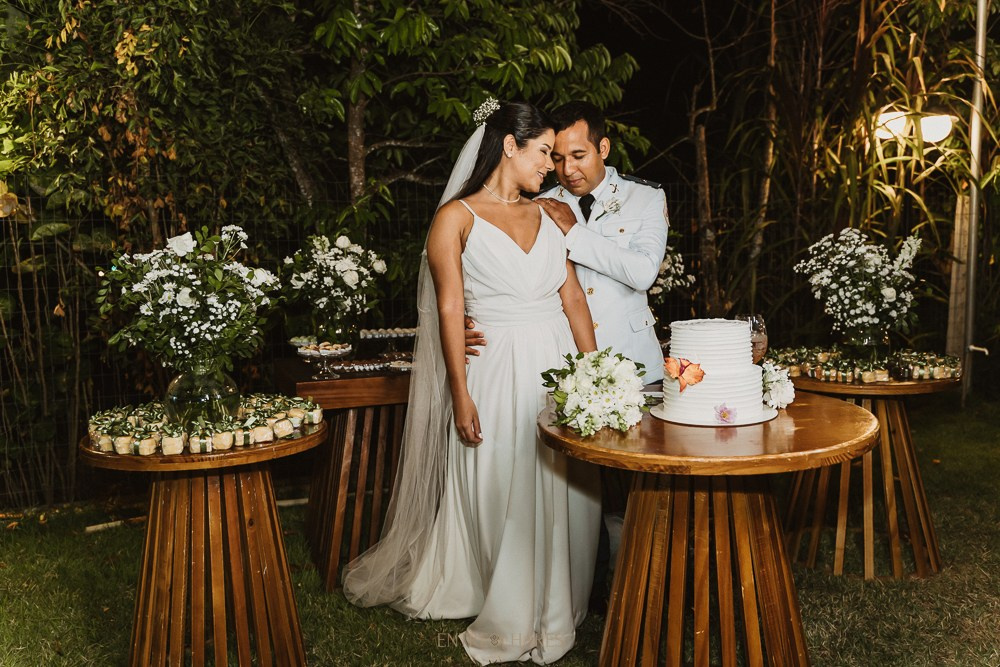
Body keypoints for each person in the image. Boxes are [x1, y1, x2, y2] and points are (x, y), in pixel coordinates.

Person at [342, 100, 603, 666]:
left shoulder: (553, 214)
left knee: (561, 479)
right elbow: (449, 308)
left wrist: (596, 373)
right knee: (504, 474)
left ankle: (560, 598)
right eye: (543, 153)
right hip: (494, 368)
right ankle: (502, 589)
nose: (552, 167)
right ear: (510, 145)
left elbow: (574, 299)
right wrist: (460, 393)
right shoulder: (454, 219)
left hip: (555, 363)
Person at [465, 101, 669, 383]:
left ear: (603, 149)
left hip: (635, 362)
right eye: (557, 158)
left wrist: (573, 231)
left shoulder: (645, 197)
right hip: (565, 363)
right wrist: (473, 321)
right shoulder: (537, 204)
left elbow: (643, 273)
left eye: (578, 155)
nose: (567, 169)